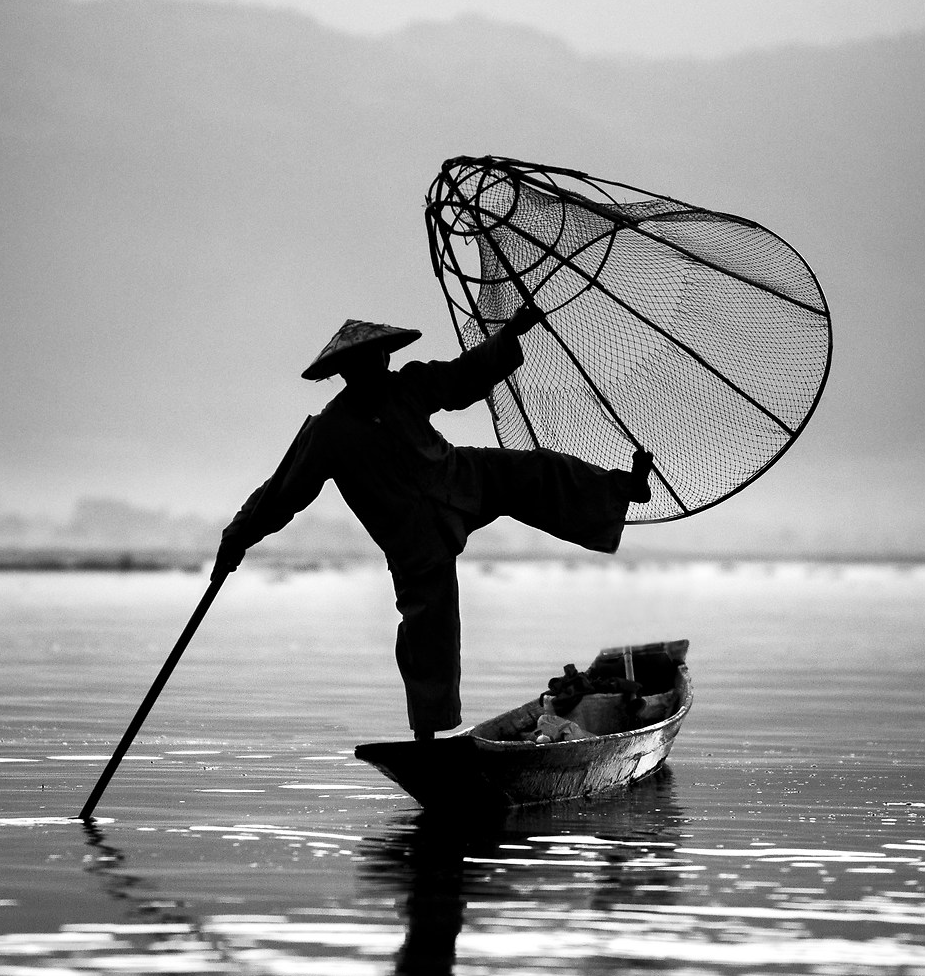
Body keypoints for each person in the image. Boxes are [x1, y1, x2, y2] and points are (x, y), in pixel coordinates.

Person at [216, 310, 651, 741]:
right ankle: (427, 736)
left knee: (535, 470)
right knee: (428, 635)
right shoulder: (327, 433)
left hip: (462, 480)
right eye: (359, 365)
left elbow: (463, 377)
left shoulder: (408, 386)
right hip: (415, 540)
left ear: (385, 358)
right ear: (344, 373)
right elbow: (280, 494)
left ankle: (620, 489)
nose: (372, 369)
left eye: (376, 358)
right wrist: (235, 540)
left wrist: (508, 335)